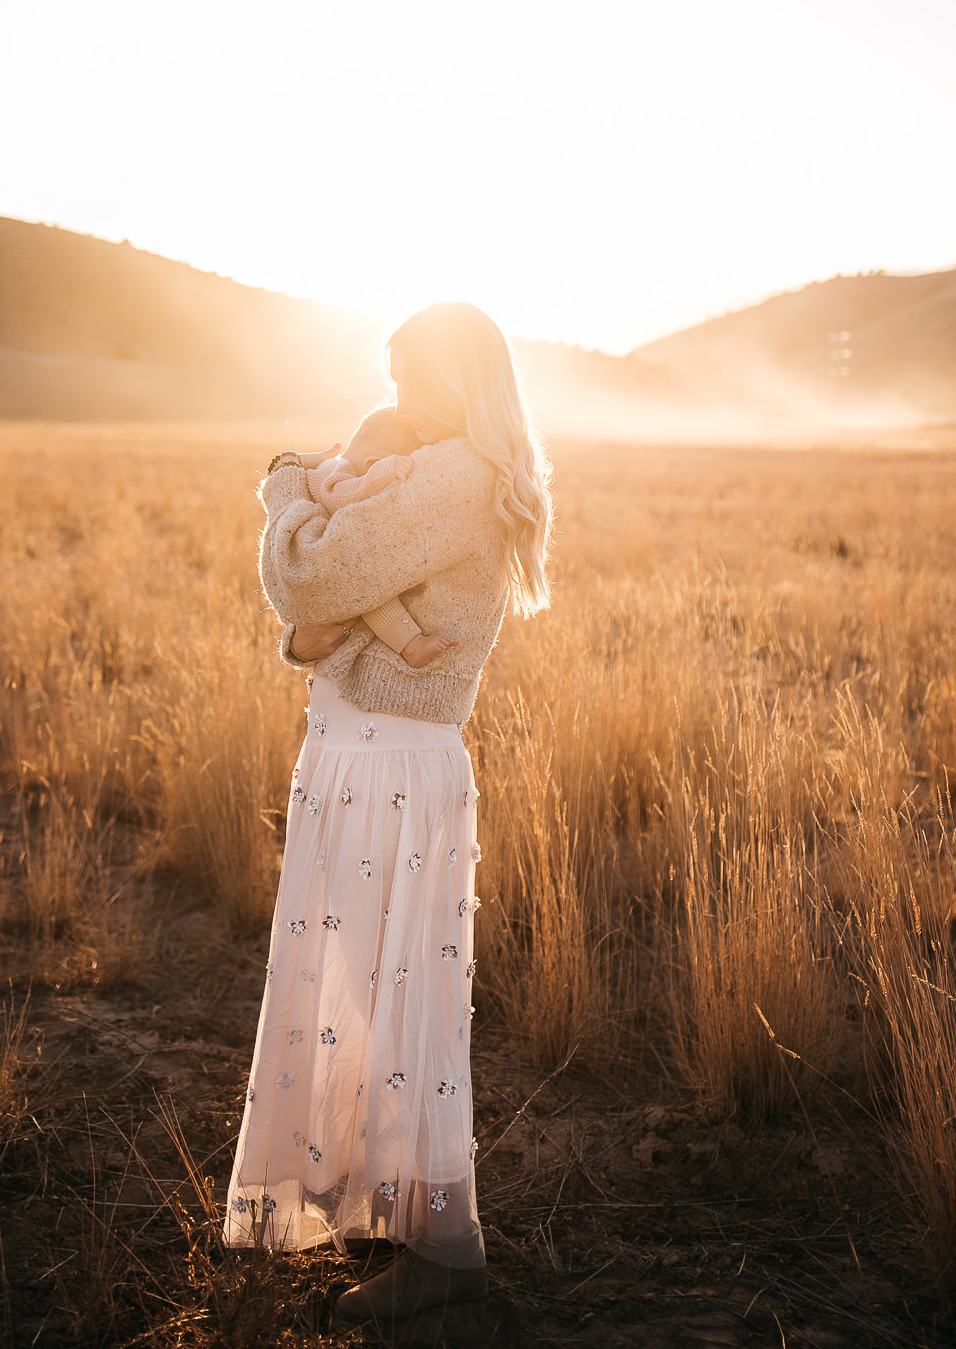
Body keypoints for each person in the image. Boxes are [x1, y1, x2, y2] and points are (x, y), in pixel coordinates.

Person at [223, 302, 553, 1324]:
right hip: (364, 754)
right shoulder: (438, 470)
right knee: (366, 999)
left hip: (388, 765)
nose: (395, 398)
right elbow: (327, 603)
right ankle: (389, 1206)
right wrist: (337, 603)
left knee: (400, 1010)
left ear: (458, 382)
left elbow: (310, 578)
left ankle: (448, 1249)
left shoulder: (453, 479)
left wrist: (286, 484)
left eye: (412, 375)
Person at [304, 403, 459, 671]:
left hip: (338, 556)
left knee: (373, 586)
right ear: (372, 464)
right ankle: (411, 646)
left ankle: (411, 645)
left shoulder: (350, 469)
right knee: (370, 586)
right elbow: (336, 497)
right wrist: (384, 473)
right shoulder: (334, 470)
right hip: (325, 560)